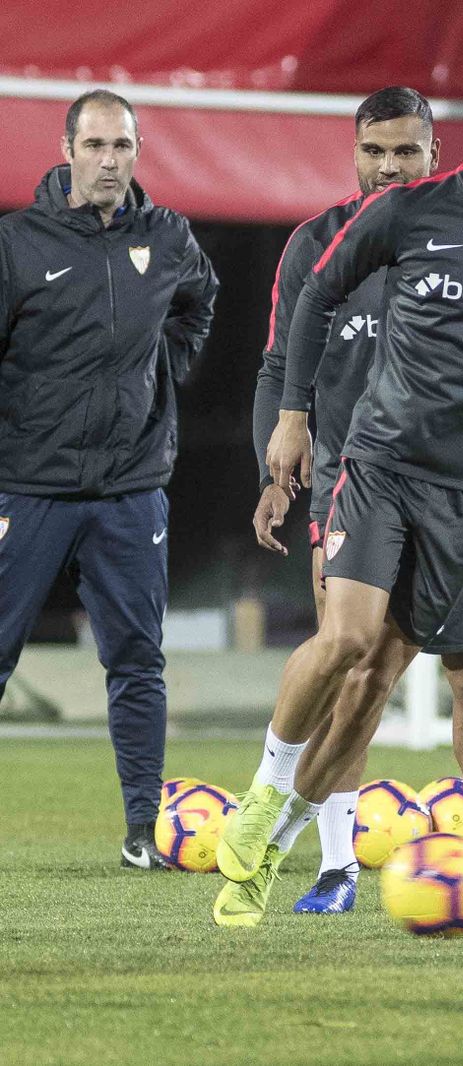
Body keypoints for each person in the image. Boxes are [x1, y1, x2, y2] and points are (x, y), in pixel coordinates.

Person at [211, 50, 463, 928]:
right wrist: (288, 421)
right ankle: (269, 796)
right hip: (376, 465)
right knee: (346, 641)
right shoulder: (396, 218)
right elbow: (310, 309)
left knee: (410, 678)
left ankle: (276, 855)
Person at [247, 86, 463, 918]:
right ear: (354, 151)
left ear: (436, 153)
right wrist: (277, 473)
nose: (389, 166)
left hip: (460, 487)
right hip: (350, 488)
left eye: (406, 151)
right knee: (351, 664)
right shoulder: (318, 246)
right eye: (375, 150)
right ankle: (334, 867)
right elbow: (276, 367)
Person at [0, 90, 218, 869]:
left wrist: (166, 369)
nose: (108, 161)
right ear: (66, 150)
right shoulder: (17, 245)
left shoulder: (166, 237)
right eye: (94, 145)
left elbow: (200, 303)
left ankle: (141, 832)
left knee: (136, 660)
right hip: (27, 486)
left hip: (130, 487)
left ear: (137, 151)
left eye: (121, 146)